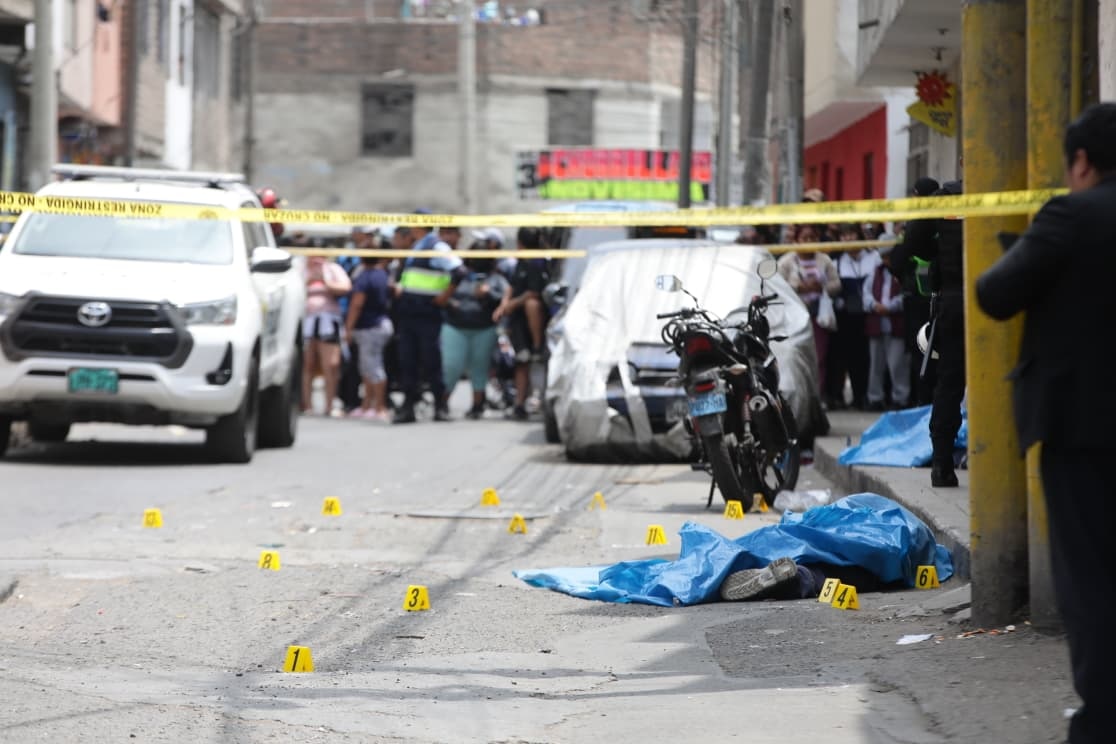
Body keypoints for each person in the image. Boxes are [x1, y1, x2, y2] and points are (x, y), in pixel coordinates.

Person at [975, 102, 1116, 744]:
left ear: (1081, 162)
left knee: (1091, 581)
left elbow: (996, 294)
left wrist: (1031, 247)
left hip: (1083, 430)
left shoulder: (1069, 215)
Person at [903, 177, 965, 487]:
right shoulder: (1012, 187)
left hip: (954, 302)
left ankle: (942, 463)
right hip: (1000, 298)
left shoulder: (948, 197)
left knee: (950, 384)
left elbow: (914, 242)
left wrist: (939, 250)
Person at [392, 216, 464, 424]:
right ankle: (408, 408)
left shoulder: (436, 246)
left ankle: (441, 407)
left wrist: (444, 296)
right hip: (409, 313)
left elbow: (459, 271)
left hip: (427, 314)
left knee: (431, 361)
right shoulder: (417, 247)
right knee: (408, 362)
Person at [441, 253, 511, 419]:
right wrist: (452, 303)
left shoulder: (496, 279)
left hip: (484, 328)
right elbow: (442, 295)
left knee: (480, 368)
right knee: (451, 366)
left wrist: (488, 294)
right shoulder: (459, 276)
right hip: (455, 326)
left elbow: (505, 299)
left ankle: (477, 406)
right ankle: (441, 403)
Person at [890, 177, 941, 407]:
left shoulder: (918, 222)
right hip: (941, 296)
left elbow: (899, 258)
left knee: (920, 353)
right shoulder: (946, 218)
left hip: (920, 299)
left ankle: (920, 403)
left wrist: (902, 275)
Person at [777, 223, 840, 396]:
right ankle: (798, 395)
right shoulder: (786, 261)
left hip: (818, 316)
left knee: (819, 357)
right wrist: (799, 287)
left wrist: (822, 286)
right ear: (796, 240)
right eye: (804, 238)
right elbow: (777, 286)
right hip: (793, 318)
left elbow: (836, 284)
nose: (809, 242)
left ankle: (817, 395)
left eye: (812, 238)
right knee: (795, 356)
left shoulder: (824, 260)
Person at [496, 227, 551, 420]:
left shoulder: (537, 262)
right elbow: (512, 286)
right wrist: (504, 305)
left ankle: (542, 402)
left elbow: (533, 293)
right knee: (521, 361)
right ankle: (519, 404)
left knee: (539, 363)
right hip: (518, 323)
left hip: (536, 322)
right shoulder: (522, 262)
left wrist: (511, 304)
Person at [826, 224, 879, 410]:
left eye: (851, 234)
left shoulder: (874, 259)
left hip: (871, 315)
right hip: (844, 317)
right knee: (842, 358)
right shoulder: (836, 263)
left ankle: (864, 396)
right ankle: (839, 396)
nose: (848, 239)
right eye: (844, 235)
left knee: (866, 359)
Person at [344, 253, 394, 421]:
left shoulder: (364, 278)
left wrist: (348, 328)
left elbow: (357, 304)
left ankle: (379, 407)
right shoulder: (382, 275)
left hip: (370, 327)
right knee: (366, 368)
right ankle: (367, 405)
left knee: (374, 368)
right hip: (378, 325)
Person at [301, 254, 352, 416]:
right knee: (307, 364)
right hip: (307, 321)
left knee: (330, 365)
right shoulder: (301, 269)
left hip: (328, 321)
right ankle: (306, 405)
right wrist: (308, 280)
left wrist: (325, 281)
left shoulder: (333, 269)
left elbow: (346, 287)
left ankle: (329, 405)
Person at [862, 244, 909, 410]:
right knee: (876, 365)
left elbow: (905, 295)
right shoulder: (875, 272)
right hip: (877, 324)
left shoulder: (903, 272)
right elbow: (866, 293)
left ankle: (900, 398)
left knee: (897, 364)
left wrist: (890, 306)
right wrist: (875, 306)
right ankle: (875, 398)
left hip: (895, 325)